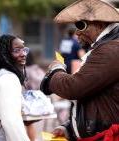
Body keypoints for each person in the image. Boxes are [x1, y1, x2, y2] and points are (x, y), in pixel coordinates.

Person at [40, 0, 119, 140]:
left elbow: (72, 88)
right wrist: (70, 128)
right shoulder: (106, 48)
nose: (77, 32)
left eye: (81, 25)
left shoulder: (111, 50)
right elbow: (98, 99)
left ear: (100, 24)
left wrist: (56, 69)